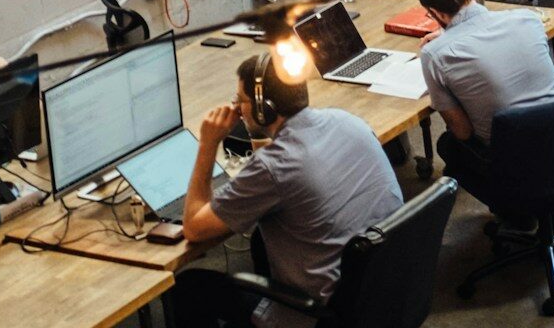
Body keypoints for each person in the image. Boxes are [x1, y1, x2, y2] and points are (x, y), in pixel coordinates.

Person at [173, 54, 403, 328]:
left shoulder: (275, 166)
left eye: (240, 101)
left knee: (190, 287)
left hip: (324, 314)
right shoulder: (348, 121)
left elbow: (195, 228)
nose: (237, 110)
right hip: (383, 287)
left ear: (264, 108)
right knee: (261, 237)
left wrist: (207, 145)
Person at [412, 0, 554, 196]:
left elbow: (462, 132)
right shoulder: (527, 19)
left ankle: (515, 211)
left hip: (514, 158)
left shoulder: (435, 54)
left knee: (449, 144)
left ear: (437, 13)